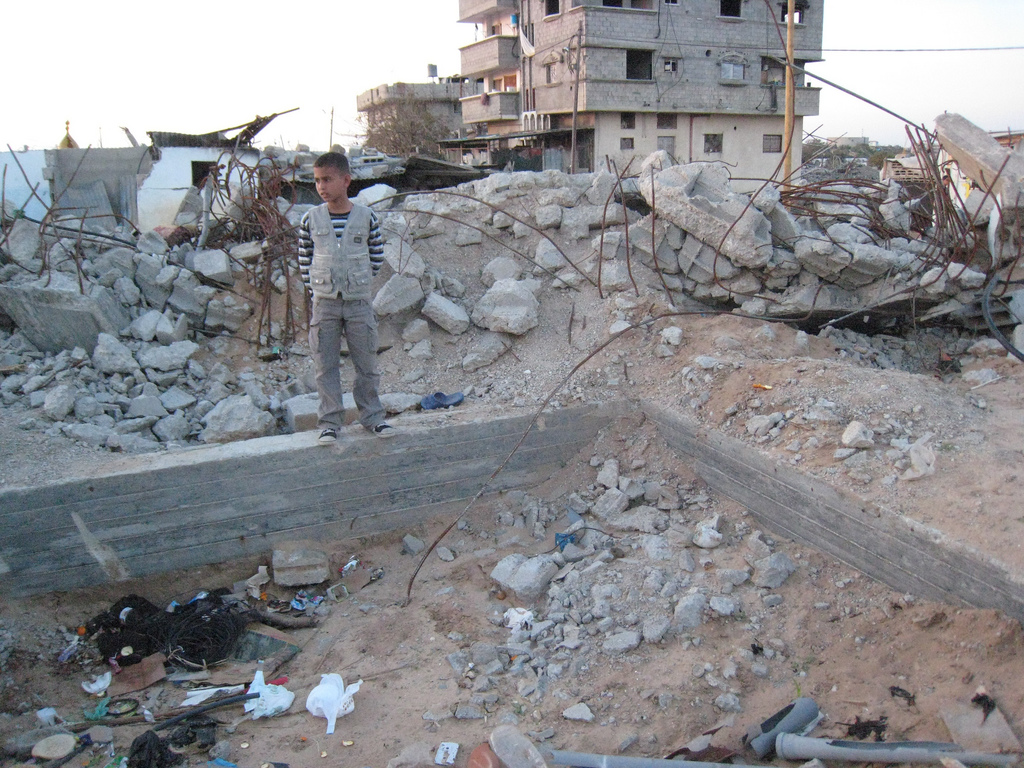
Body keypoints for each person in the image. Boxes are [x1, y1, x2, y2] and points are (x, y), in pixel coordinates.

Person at [297, 152, 395, 444]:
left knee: (366, 363)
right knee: (325, 364)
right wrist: (319, 288)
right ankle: (329, 422)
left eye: (327, 179)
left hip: (358, 303)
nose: (321, 186)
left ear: (346, 180)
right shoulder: (310, 219)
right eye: (317, 180)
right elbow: (305, 259)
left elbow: (376, 256)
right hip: (325, 303)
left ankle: (372, 418)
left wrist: (357, 282)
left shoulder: (366, 217)